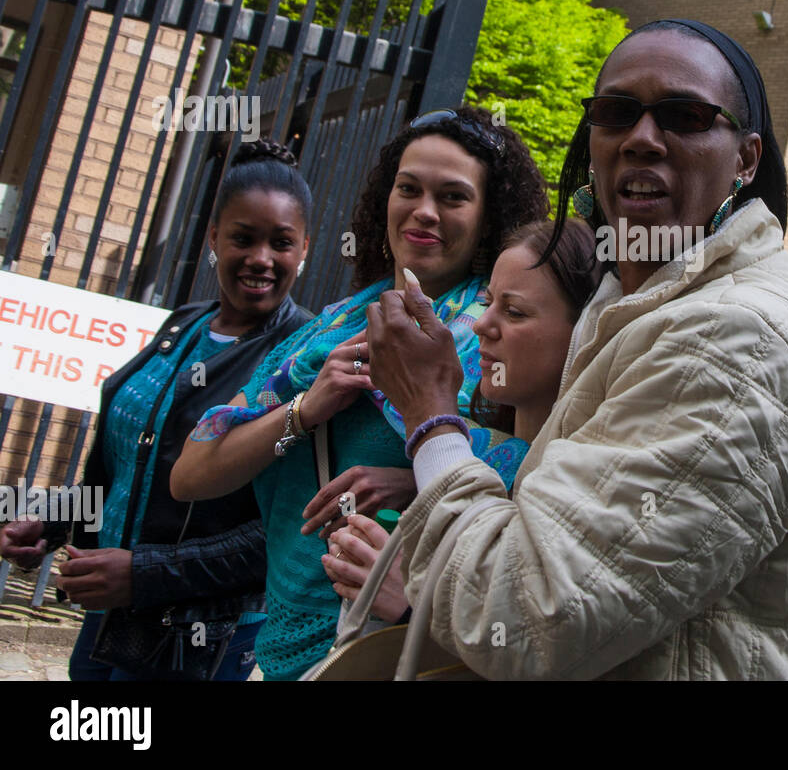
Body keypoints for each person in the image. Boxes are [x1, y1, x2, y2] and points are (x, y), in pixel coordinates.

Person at [368, 18, 788, 679]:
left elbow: (528, 616)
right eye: (617, 112)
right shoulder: (634, 304)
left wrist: (430, 416)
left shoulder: (737, 340)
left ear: (745, 159)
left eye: (685, 116)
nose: (643, 138)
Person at [170, 106, 549, 680]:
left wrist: (418, 474)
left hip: (397, 645)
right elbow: (192, 473)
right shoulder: (327, 334)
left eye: (453, 197)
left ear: (488, 215)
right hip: (279, 650)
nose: (424, 211)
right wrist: (305, 409)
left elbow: (548, 483)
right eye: (409, 189)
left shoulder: (504, 336)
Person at [0, 139, 314, 680]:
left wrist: (145, 574)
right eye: (243, 238)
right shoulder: (184, 326)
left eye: (281, 243)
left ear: (304, 247)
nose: (261, 259)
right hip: (114, 622)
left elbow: (289, 529)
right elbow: (136, 470)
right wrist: (55, 523)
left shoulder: (304, 358)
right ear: (214, 237)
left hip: (202, 643)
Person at [321, 219, 601, 622]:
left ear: (584, 331)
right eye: (488, 303)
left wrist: (413, 606)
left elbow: (547, 638)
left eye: (515, 312)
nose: (483, 326)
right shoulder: (455, 457)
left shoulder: (580, 486)